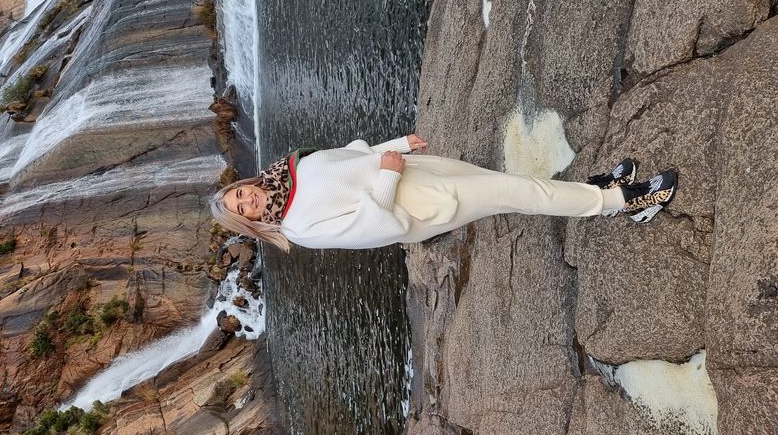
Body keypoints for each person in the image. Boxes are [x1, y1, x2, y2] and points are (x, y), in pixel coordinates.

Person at [210, 134, 678, 252]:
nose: (247, 201)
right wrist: (390, 175)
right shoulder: (298, 228)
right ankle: (624, 201)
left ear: (246, 184)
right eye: (240, 210)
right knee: (517, 191)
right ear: (248, 223)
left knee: (514, 186)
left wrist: (397, 147)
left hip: (421, 171)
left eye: (240, 194)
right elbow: (370, 230)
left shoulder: (290, 171)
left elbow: (355, 155)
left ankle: (596, 190)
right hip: (420, 206)